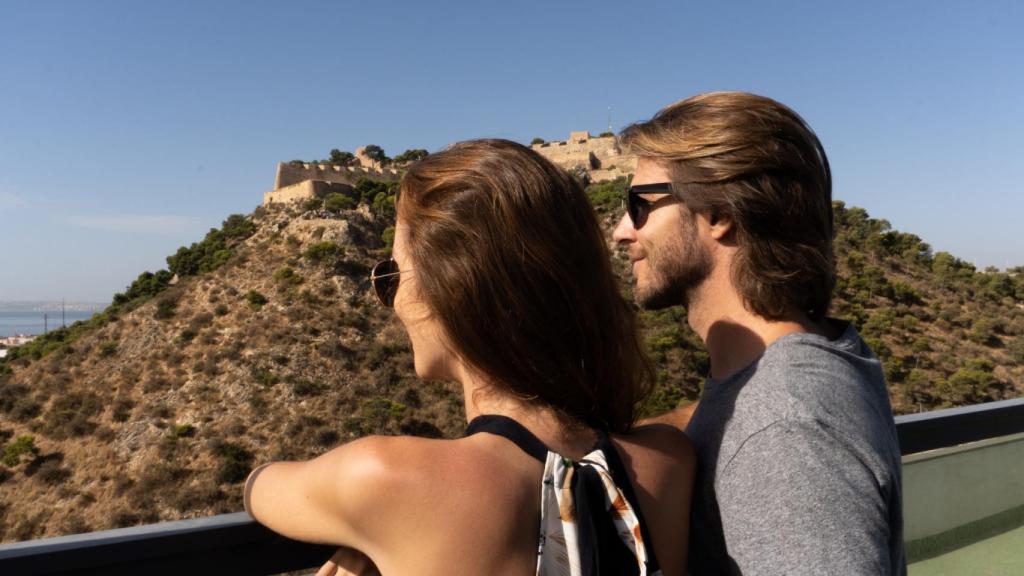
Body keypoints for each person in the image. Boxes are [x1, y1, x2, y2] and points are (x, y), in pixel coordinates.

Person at [245, 139, 695, 576]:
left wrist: (376, 533)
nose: (391, 298)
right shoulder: (669, 464)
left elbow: (259, 488)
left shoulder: (385, 479)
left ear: (449, 292)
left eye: (391, 275)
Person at [612, 92, 906, 575]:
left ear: (719, 214)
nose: (623, 230)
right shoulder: (812, 356)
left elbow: (775, 424)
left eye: (639, 204)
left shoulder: (786, 429)